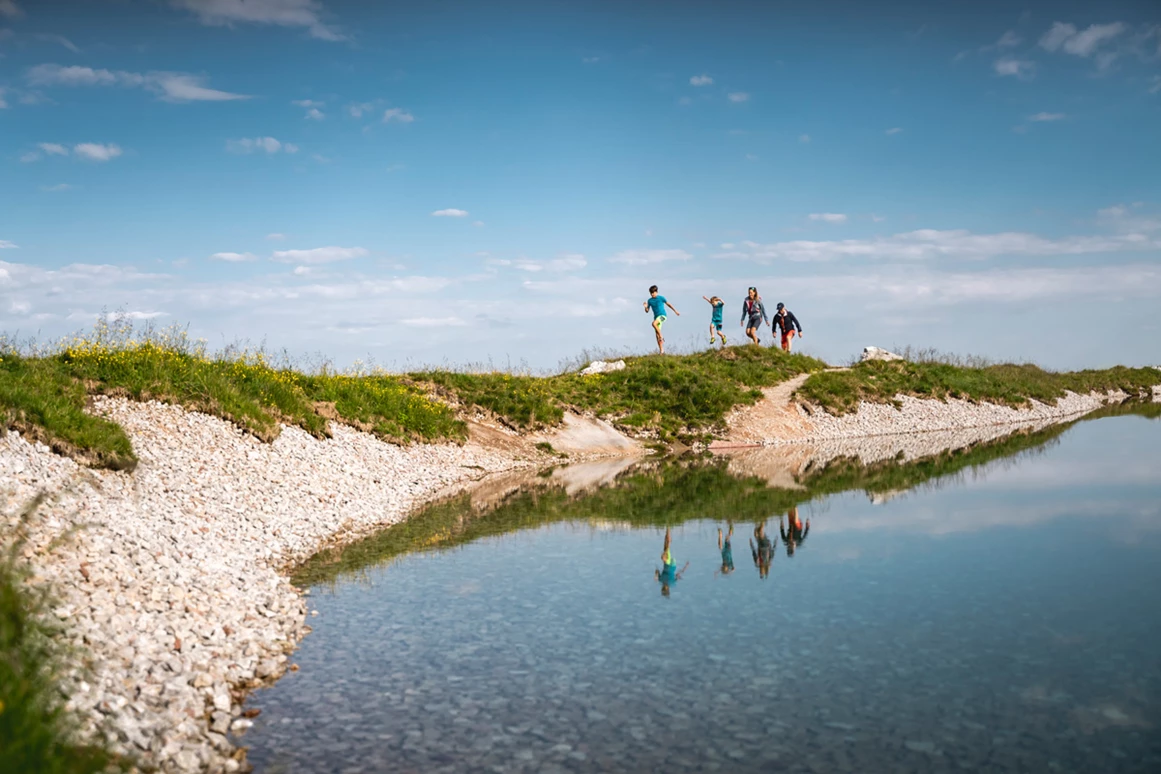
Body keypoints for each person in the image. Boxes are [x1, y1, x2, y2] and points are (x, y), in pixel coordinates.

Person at [643, 285, 680, 354]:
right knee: (656, 334)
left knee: (653, 324)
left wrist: (675, 311)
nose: (652, 294)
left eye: (653, 293)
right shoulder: (650, 301)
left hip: (663, 316)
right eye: (651, 293)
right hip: (656, 317)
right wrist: (645, 307)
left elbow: (669, 304)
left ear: (656, 292)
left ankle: (661, 336)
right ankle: (661, 351)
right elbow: (647, 311)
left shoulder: (661, 298)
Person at [655, 526, 689, 596]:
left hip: (668, 565)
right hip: (670, 565)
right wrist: (684, 568)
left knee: (665, 549)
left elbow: (657, 571)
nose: (663, 587)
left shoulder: (662, 580)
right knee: (666, 549)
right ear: (667, 589)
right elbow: (677, 576)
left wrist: (656, 575)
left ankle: (667, 532)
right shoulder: (668, 582)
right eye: (664, 588)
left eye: (663, 588)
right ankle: (668, 533)